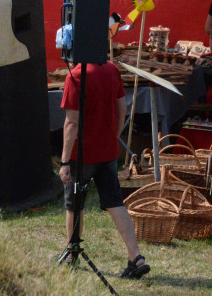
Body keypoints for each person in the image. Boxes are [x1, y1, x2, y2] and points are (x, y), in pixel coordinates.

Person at [58, 58, 149, 279]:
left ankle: (71, 254)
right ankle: (135, 257)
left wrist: (64, 161)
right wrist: (113, 138)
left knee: (74, 203)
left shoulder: (76, 76)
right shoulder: (111, 70)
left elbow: (71, 122)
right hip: (107, 151)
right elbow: (122, 110)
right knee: (114, 202)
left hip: (83, 154)